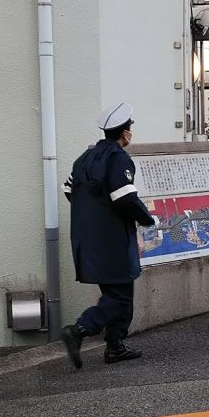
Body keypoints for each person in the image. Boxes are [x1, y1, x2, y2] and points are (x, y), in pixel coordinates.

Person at [59, 103, 156, 369]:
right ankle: (79, 329)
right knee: (121, 295)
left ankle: (115, 346)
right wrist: (148, 218)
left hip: (87, 239)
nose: (130, 133)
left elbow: (68, 190)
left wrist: (94, 214)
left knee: (115, 292)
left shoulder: (85, 158)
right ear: (124, 133)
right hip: (113, 240)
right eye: (130, 128)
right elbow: (125, 198)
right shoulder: (119, 159)